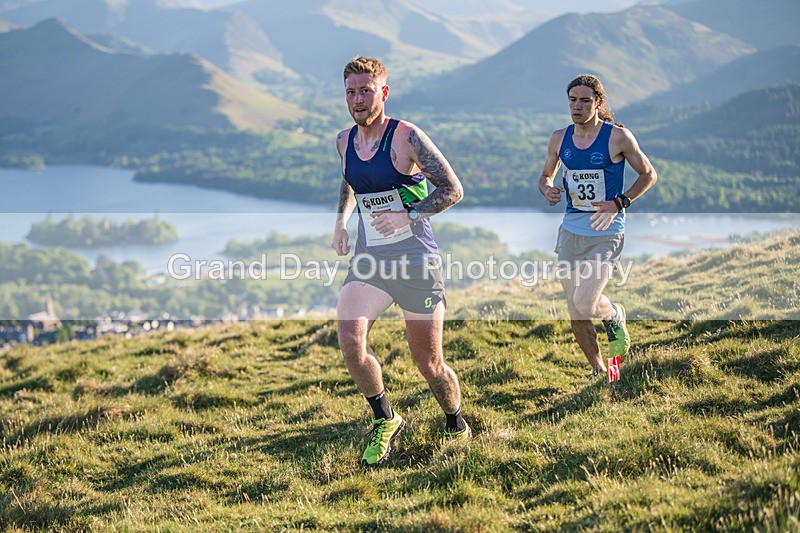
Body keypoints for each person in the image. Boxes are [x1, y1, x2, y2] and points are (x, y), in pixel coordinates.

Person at [331, 56, 470, 467]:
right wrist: (340, 222)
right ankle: (385, 418)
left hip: (415, 261)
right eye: (351, 92)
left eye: (366, 90)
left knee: (429, 364)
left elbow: (452, 189)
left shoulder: (406, 137)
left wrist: (407, 214)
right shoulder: (343, 141)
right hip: (371, 259)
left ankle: (456, 421)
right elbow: (349, 179)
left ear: (383, 92)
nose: (358, 99)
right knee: (351, 339)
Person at [537, 74, 657, 377]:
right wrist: (548, 188)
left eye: (585, 101)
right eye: (572, 100)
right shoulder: (559, 137)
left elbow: (648, 175)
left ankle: (614, 314)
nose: (577, 106)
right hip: (570, 232)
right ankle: (600, 370)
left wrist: (620, 202)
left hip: (606, 232)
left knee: (586, 301)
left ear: (598, 103)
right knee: (575, 311)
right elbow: (545, 176)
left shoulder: (618, 137)